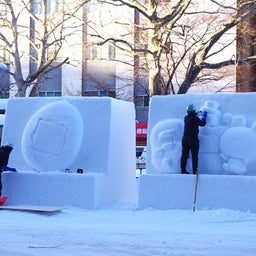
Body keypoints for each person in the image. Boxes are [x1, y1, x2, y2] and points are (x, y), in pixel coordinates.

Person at [180, 104, 207, 175]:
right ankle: (195, 171)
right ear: (194, 110)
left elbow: (192, 115)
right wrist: (204, 117)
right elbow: (203, 124)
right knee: (194, 156)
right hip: (193, 139)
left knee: (184, 155)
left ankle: (183, 170)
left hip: (185, 139)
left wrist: (197, 113)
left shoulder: (185, 118)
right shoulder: (195, 119)